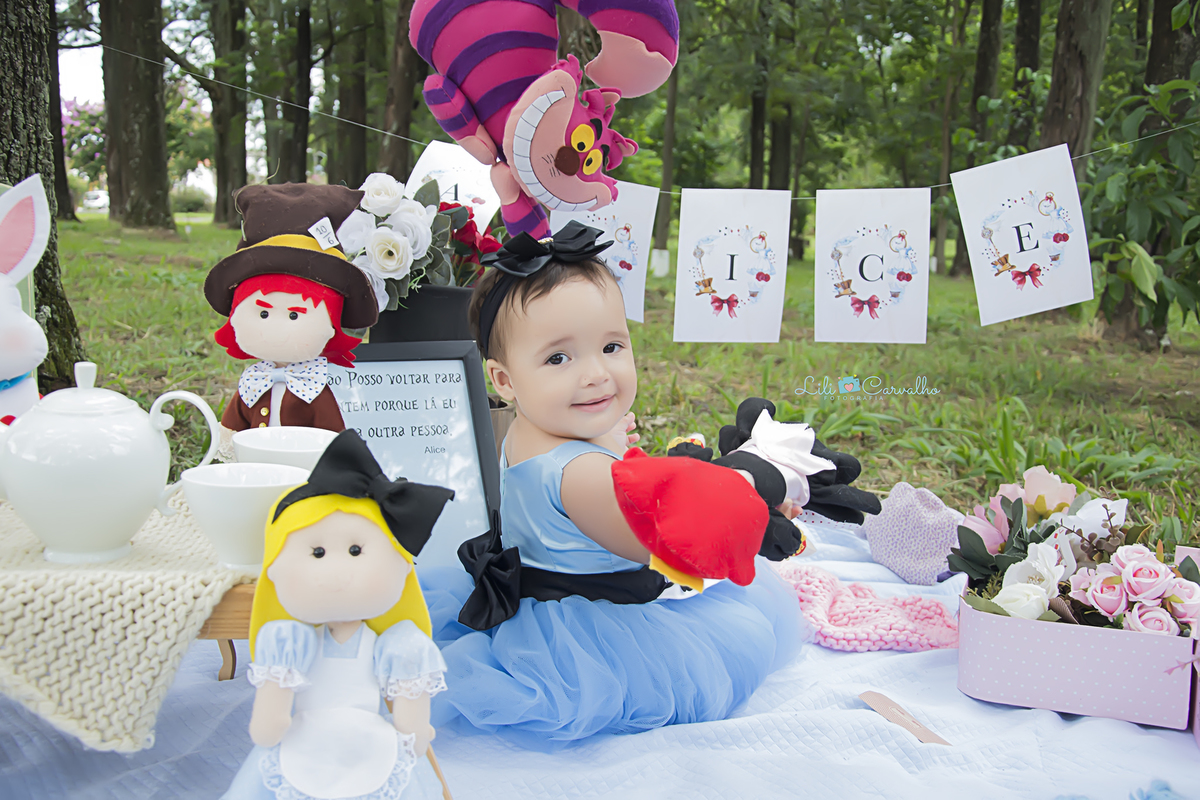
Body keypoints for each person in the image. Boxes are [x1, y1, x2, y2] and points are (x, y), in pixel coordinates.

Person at [419, 222, 805, 750]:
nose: (596, 374)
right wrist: (745, 490)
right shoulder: (578, 475)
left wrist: (610, 438)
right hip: (596, 633)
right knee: (722, 638)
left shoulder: (532, 428)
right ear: (503, 379)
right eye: (559, 358)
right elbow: (661, 541)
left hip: (543, 584)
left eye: (611, 345)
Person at [223, 430, 455, 800]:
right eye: (317, 553)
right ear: (273, 569)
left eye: (355, 550)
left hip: (370, 744)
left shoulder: (399, 643)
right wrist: (270, 721)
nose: (337, 572)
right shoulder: (289, 639)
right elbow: (271, 715)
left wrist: (414, 730)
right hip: (303, 744)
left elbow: (410, 721)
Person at [204, 184, 379, 440]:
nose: (275, 328)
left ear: (331, 325)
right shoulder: (253, 383)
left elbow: (331, 436)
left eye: (294, 315)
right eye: (263, 314)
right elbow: (233, 426)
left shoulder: (316, 390)